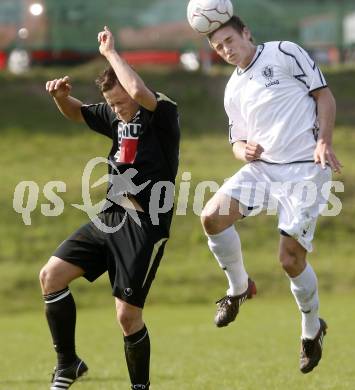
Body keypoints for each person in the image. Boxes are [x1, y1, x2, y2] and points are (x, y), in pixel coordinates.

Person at [40, 26, 180, 389]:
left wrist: (110, 54)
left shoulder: (161, 113)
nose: (116, 111)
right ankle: (68, 364)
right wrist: (60, 97)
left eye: (120, 104)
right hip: (110, 216)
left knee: (127, 317)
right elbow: (77, 113)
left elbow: (135, 91)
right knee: (51, 276)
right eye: (112, 105)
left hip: (145, 225)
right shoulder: (118, 116)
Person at [200, 16, 342, 374]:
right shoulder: (232, 89)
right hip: (263, 169)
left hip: (305, 168)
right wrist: (242, 150)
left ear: (246, 32)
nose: (226, 50)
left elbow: (324, 96)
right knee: (211, 217)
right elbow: (236, 140)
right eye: (218, 47)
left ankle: (311, 331)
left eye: (230, 40)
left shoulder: (284, 52)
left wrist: (324, 140)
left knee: (290, 260)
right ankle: (238, 288)